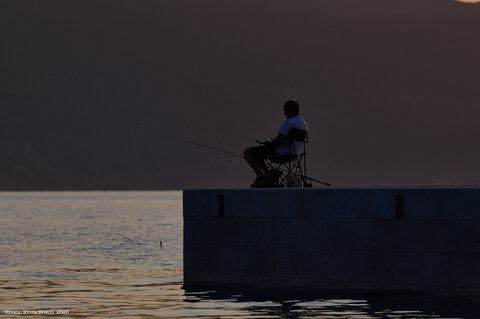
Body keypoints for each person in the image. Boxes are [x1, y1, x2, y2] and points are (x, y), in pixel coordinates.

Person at [243, 99, 308, 188]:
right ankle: (269, 178)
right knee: (260, 154)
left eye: (285, 111)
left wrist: (269, 142)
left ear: (291, 110)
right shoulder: (304, 124)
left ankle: (262, 177)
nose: (284, 114)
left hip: (280, 154)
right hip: (292, 155)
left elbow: (278, 140)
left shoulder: (289, 122)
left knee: (248, 152)